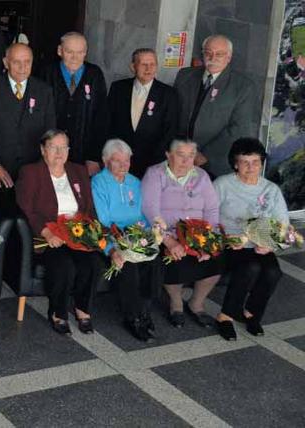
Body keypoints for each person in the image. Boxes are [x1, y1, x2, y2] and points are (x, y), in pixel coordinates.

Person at [16, 130, 103, 335]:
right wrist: (47, 233)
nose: (59, 152)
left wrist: (93, 232)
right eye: (54, 147)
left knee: (93, 263)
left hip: (77, 231)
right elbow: (27, 208)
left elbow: (88, 208)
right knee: (64, 265)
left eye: (64, 147)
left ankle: (82, 309)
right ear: (43, 150)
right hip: (49, 234)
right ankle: (58, 311)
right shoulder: (31, 172)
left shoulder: (79, 171)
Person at [213, 138, 288, 341]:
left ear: (262, 162)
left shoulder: (271, 189)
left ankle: (252, 314)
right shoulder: (223, 184)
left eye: (256, 162)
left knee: (273, 271)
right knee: (251, 267)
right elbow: (207, 215)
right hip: (229, 242)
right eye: (245, 162)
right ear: (235, 163)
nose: (251, 167)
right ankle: (225, 316)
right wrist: (223, 237)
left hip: (258, 242)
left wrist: (270, 244)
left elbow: (282, 223)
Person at [141, 139, 221, 328]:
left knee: (217, 260)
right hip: (166, 234)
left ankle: (197, 303)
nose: (186, 161)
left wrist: (208, 241)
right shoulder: (155, 174)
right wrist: (169, 241)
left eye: (191, 156)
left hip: (198, 234)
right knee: (173, 260)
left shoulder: (201, 176)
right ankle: (176, 303)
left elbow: (212, 209)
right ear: (168, 155)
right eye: (180, 155)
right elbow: (150, 211)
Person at [91, 139, 162, 342]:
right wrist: (115, 247)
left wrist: (147, 238)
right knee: (128, 263)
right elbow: (103, 221)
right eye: (117, 161)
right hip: (111, 237)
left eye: (127, 161)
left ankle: (145, 310)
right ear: (106, 161)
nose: (123, 166)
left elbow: (144, 217)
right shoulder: (99, 182)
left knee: (153, 259)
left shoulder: (135, 182)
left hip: (136, 235)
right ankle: (132, 317)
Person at [0, 43, 56, 217]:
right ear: (6, 63)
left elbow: (49, 133)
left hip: (30, 172)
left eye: (27, 62)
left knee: (25, 222)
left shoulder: (44, 90)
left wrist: (43, 168)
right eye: (16, 62)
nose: (22, 67)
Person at [174, 34, 255, 177]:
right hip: (179, 158)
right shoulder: (184, 76)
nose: (213, 57)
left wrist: (201, 155)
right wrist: (182, 149)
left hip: (213, 164)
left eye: (219, 54)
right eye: (208, 53)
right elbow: (172, 115)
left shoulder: (243, 86)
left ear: (229, 57)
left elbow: (239, 129)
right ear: (202, 53)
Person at [39, 32, 109, 176]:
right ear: (60, 51)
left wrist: (94, 157)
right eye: (69, 51)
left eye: (80, 52)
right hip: (51, 153)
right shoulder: (46, 73)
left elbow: (101, 119)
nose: (74, 57)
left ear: (85, 53)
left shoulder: (95, 75)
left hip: (83, 156)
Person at [106, 48, 179, 177]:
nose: (148, 69)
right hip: (119, 161)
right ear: (133, 67)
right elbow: (108, 124)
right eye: (143, 64)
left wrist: (155, 162)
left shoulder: (168, 94)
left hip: (152, 165)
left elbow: (170, 131)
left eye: (152, 64)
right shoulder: (118, 88)